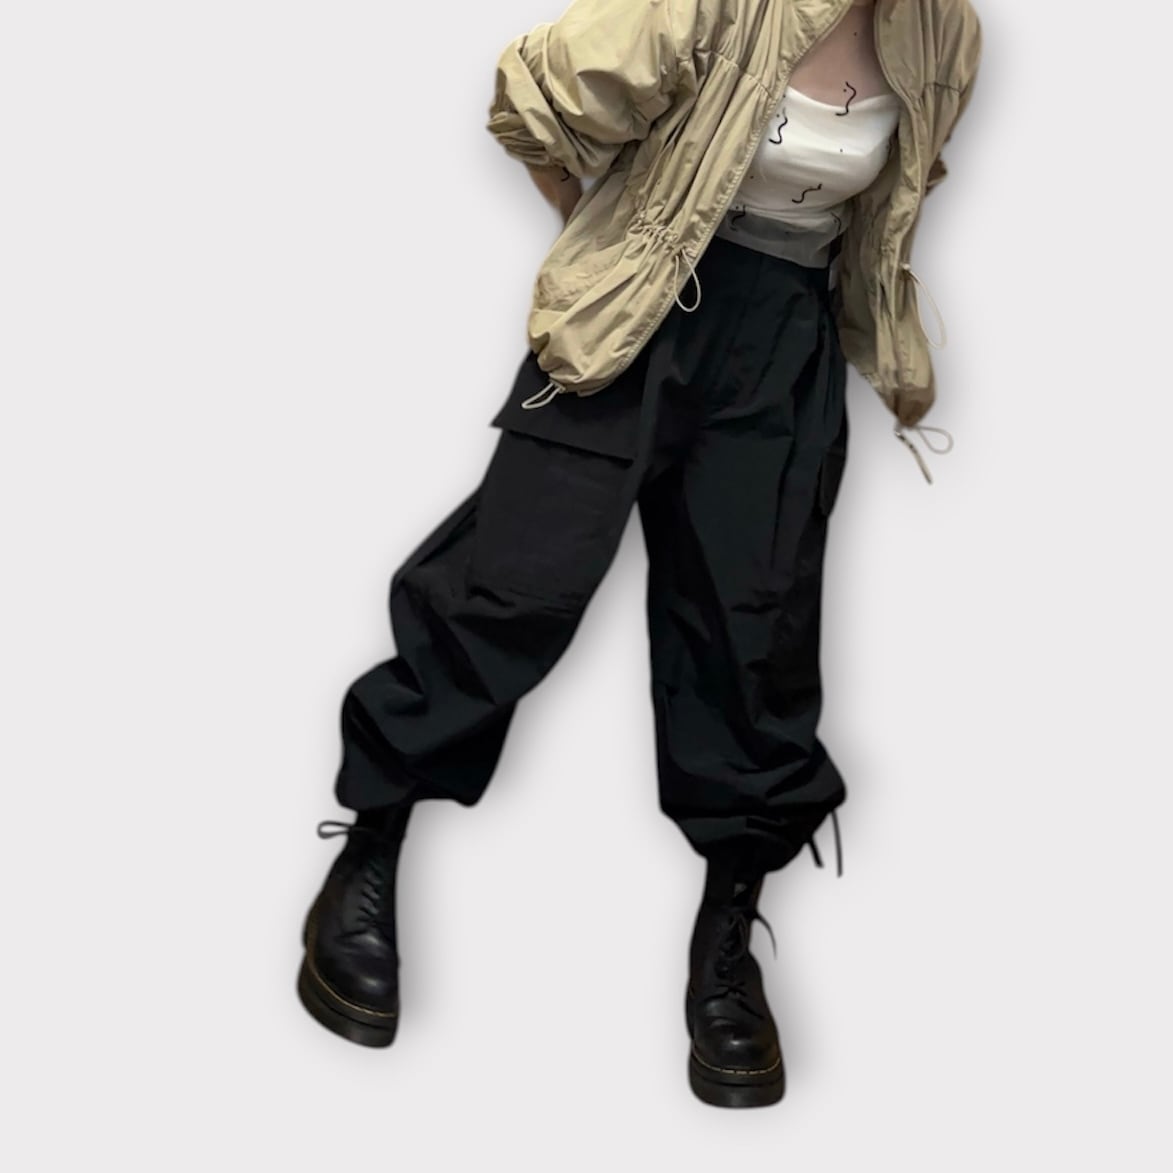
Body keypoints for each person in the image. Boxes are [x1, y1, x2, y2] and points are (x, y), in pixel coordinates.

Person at [295, 0, 982, 1109]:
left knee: (753, 636)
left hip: (784, 348)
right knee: (512, 586)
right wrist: (601, 241)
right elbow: (532, 94)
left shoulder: (945, 34)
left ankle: (726, 940)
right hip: (646, 315)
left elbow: (900, 192)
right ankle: (368, 848)